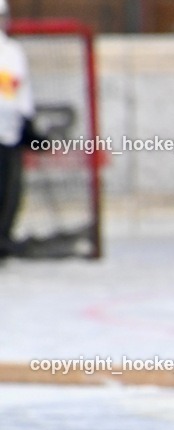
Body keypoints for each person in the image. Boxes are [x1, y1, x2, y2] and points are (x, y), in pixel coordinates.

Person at [0, 0, 40, 259]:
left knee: (9, 192)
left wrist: (28, 125)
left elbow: (20, 93)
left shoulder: (12, 51)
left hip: (8, 135)